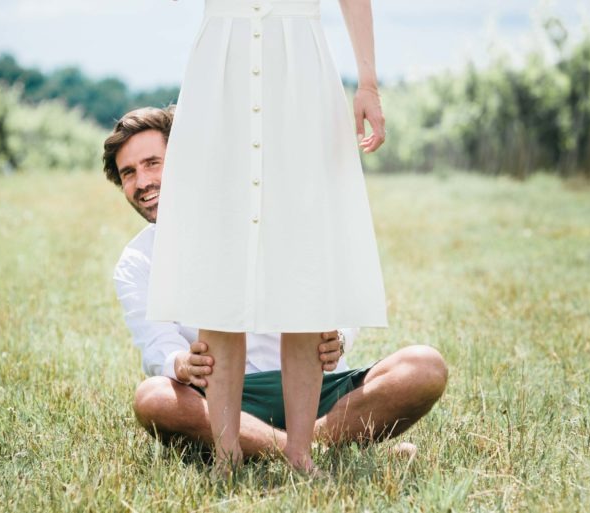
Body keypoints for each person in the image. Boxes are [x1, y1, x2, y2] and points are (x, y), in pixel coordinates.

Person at [103, 106, 448, 465]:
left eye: (153, 163)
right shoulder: (137, 262)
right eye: (129, 173)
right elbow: (158, 346)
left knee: (424, 366)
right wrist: (182, 364)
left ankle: (276, 446)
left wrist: (340, 336)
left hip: (318, 390)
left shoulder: (260, 217)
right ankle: (307, 451)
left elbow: (331, 286)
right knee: (154, 398)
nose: (142, 182)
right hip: (224, 399)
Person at [147, 0, 394, 474]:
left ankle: (300, 454)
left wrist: (368, 84)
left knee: (303, 257)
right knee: (219, 258)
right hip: (221, 69)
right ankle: (226, 454)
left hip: (300, 69)